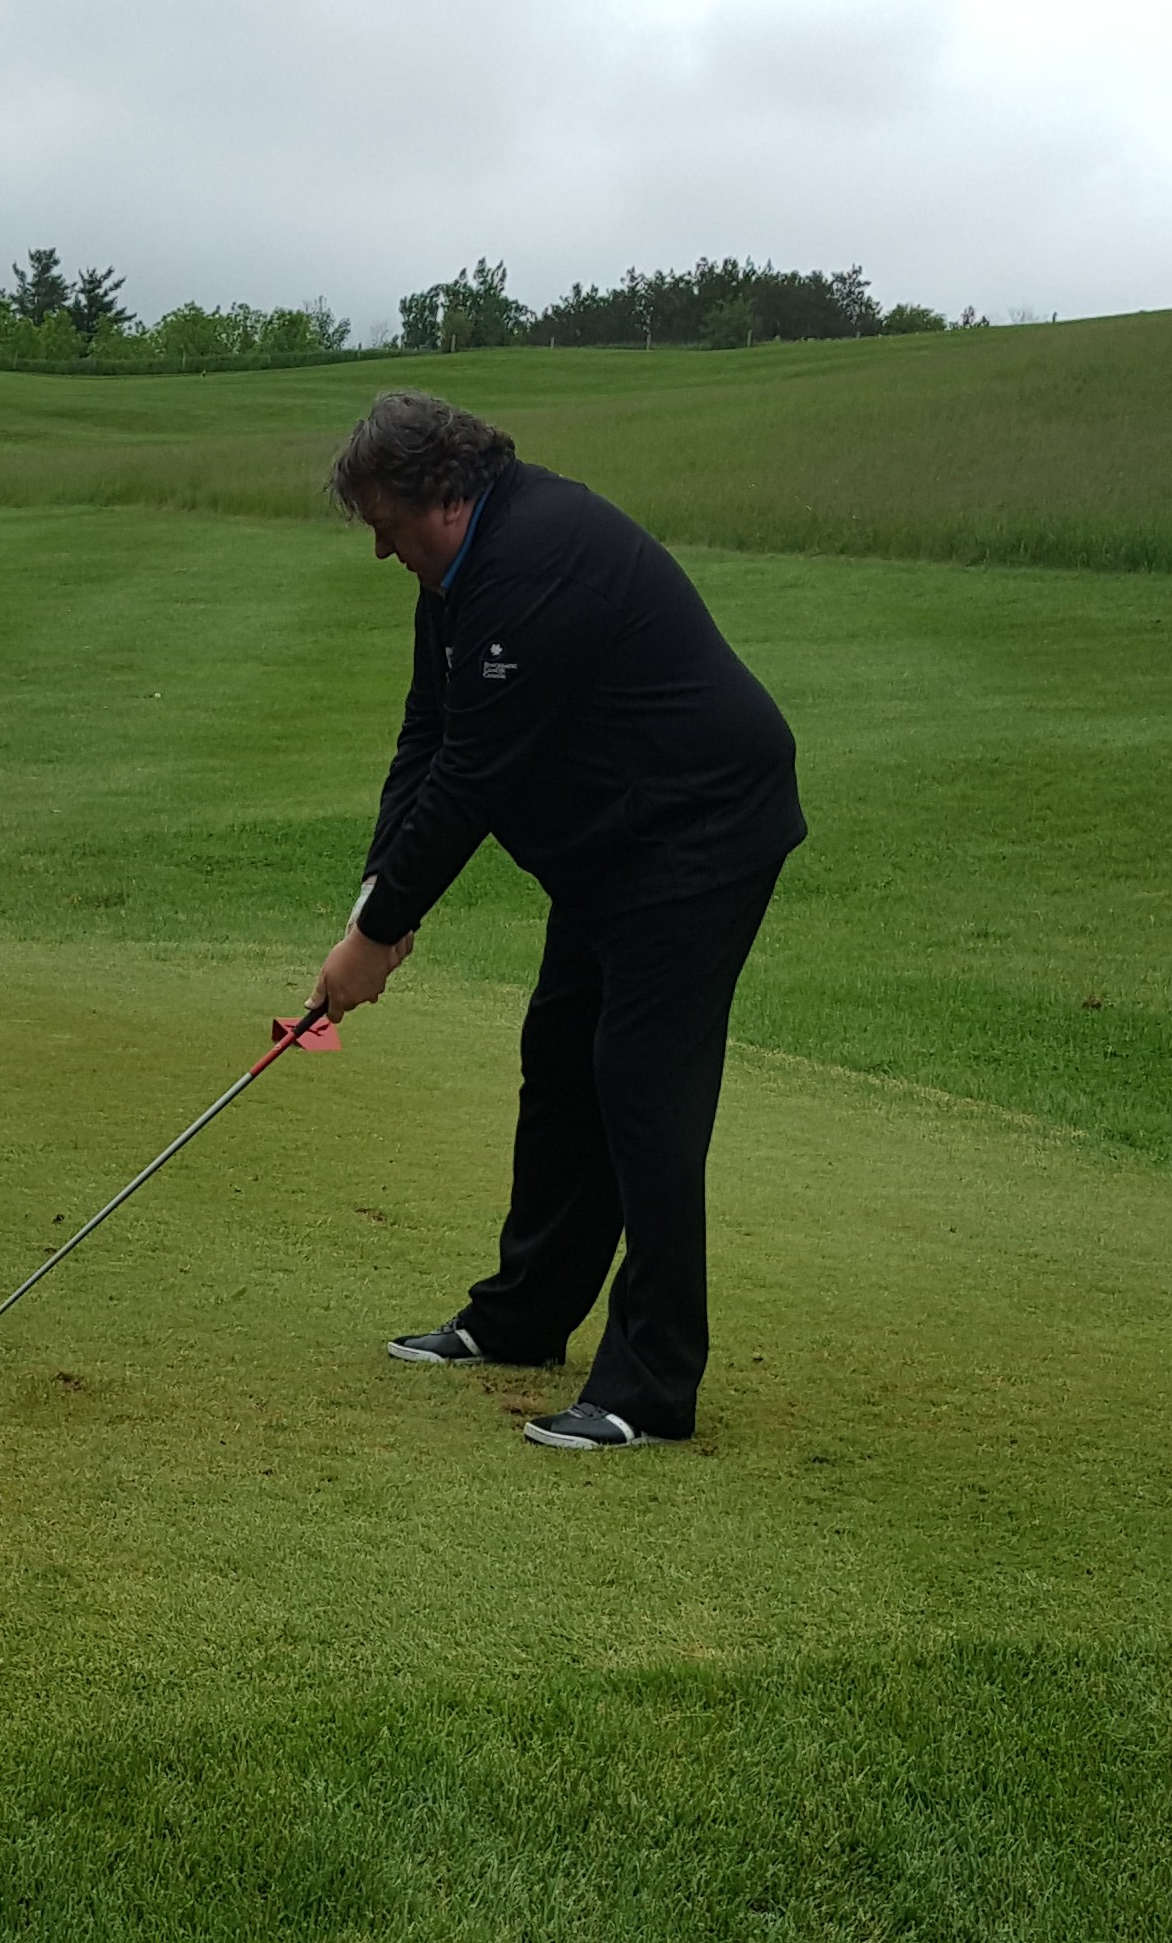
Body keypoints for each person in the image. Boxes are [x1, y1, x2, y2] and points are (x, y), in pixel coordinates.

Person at [305, 389, 804, 1451]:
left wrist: (375, 938)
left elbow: (474, 778)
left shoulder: (533, 563)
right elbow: (427, 734)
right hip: (615, 846)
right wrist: (376, 902)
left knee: (643, 1085)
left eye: (388, 525)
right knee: (562, 1055)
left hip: (701, 831)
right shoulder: (456, 573)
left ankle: (651, 1386)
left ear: (445, 498)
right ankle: (523, 1317)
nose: (382, 549)